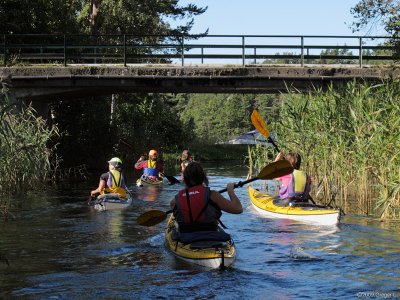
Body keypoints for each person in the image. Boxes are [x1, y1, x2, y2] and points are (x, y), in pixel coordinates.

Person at [170, 161, 243, 233]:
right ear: (203, 177)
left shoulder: (174, 201)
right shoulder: (213, 195)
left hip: (185, 238)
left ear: (185, 179)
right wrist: (230, 191)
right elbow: (238, 209)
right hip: (211, 236)